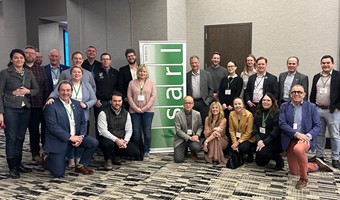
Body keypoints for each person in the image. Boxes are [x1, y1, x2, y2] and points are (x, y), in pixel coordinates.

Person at [279, 84, 333, 189]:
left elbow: (317, 126)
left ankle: (304, 178)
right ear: (290, 94)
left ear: (304, 94)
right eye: (294, 92)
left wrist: (307, 136)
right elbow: (282, 123)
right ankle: (316, 165)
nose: (296, 94)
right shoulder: (284, 106)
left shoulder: (311, 107)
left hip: (305, 139)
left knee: (298, 149)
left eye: (299, 92)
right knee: (294, 171)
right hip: (291, 138)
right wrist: (296, 134)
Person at [43, 81, 98, 178]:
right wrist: (70, 137)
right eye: (62, 90)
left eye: (68, 90)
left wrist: (81, 136)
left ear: (71, 91)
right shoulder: (51, 106)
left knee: (93, 143)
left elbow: (83, 122)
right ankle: (47, 158)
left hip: (75, 137)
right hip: (59, 141)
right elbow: (53, 127)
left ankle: (81, 165)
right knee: (58, 174)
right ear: (58, 92)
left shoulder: (77, 104)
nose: (65, 93)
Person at [0, 49, 39, 179]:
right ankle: (12, 167)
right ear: (11, 60)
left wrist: (28, 91)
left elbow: (36, 89)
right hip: (10, 108)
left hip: (25, 108)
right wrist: (1, 112)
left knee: (21, 137)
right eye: (16, 58)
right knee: (11, 137)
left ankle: (18, 163)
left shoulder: (28, 73)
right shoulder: (5, 73)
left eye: (21, 58)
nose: (19, 60)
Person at [309, 55, 340, 169]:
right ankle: (319, 156)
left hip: (333, 111)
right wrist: (312, 106)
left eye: (328, 63)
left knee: (334, 135)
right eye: (323, 63)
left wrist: (338, 107)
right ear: (320, 64)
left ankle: (335, 158)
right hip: (318, 110)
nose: (325, 65)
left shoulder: (338, 76)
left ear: (333, 63)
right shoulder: (317, 76)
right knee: (319, 134)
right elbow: (313, 92)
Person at [97, 91, 141, 170]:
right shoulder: (103, 113)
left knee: (135, 152)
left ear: (122, 101)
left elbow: (129, 130)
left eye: (119, 101)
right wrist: (117, 140)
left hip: (121, 139)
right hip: (108, 139)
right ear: (111, 101)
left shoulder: (126, 113)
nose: (117, 103)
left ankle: (117, 155)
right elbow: (103, 131)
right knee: (107, 144)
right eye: (115, 101)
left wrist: (125, 141)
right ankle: (108, 159)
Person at [24, 46, 49, 164]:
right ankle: (35, 153)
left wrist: (47, 103)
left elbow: (45, 87)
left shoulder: (41, 69)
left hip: (41, 105)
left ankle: (46, 150)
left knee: (45, 129)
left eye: (32, 53)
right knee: (33, 131)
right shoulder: (19, 69)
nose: (30, 55)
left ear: (35, 56)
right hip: (26, 106)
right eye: (27, 53)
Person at [127, 64, 156, 157]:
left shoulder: (151, 83)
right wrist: (136, 108)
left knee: (147, 132)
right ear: (137, 72)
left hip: (148, 111)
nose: (142, 73)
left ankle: (147, 149)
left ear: (146, 73)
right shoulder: (132, 83)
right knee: (136, 133)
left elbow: (153, 96)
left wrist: (144, 108)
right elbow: (129, 96)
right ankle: (137, 150)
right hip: (134, 111)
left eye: (144, 71)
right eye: (140, 71)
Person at [253, 93, 283, 170]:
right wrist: (259, 140)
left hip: (273, 140)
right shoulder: (258, 111)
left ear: (272, 102)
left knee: (263, 153)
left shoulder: (277, 112)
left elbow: (276, 131)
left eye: (268, 100)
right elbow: (255, 127)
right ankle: (265, 153)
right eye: (264, 100)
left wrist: (264, 142)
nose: (265, 102)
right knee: (260, 163)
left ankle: (278, 159)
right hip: (261, 139)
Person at [93, 53, 119, 138]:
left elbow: (118, 87)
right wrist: (95, 99)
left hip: (113, 102)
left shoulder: (115, 72)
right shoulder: (95, 72)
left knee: (113, 123)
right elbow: (92, 87)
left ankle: (113, 144)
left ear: (110, 61)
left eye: (107, 59)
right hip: (100, 103)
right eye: (103, 59)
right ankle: (100, 147)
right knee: (100, 124)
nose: (105, 61)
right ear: (101, 61)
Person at [186, 55, 213, 127]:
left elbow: (211, 89)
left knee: (205, 122)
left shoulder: (207, 74)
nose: (194, 64)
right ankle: (195, 137)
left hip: (204, 102)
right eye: (192, 63)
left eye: (196, 62)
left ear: (199, 63)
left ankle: (204, 137)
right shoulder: (187, 76)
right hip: (192, 103)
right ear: (190, 64)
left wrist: (208, 100)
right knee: (193, 122)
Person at [174, 96, 202, 163]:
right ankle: (184, 149)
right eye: (186, 103)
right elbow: (178, 130)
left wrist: (197, 135)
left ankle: (193, 151)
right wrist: (189, 138)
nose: (188, 105)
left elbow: (200, 126)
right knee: (178, 159)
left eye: (190, 103)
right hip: (181, 139)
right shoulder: (178, 115)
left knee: (196, 148)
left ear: (193, 104)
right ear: (183, 104)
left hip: (193, 137)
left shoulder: (197, 114)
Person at [228, 97, 255, 162]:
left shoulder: (249, 115)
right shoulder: (231, 114)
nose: (237, 106)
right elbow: (231, 130)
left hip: (247, 138)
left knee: (243, 148)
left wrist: (237, 142)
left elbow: (249, 132)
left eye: (239, 104)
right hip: (236, 137)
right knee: (231, 147)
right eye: (235, 104)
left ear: (243, 105)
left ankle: (250, 153)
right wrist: (234, 142)